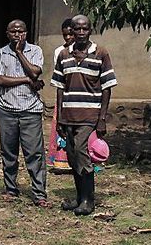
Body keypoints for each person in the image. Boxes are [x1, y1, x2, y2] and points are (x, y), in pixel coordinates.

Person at [50, 14, 116, 216]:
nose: (80, 33)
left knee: (81, 152)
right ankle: (79, 198)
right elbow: (60, 88)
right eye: (76, 29)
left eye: (84, 29)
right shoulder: (63, 55)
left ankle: (88, 200)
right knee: (71, 156)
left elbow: (107, 87)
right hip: (68, 114)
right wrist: (59, 117)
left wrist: (102, 118)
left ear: (90, 30)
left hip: (90, 115)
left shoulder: (101, 53)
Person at [0, 19, 50, 206]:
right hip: (6, 109)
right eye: (14, 32)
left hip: (31, 110)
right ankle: (11, 189)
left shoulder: (36, 51)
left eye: (21, 31)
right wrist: (26, 79)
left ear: (27, 33)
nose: (18, 35)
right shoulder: (0, 53)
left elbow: (35, 72)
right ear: (7, 34)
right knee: (9, 153)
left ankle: (39, 193)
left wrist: (19, 53)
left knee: (34, 154)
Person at [47, 18, 75, 173]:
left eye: (71, 34)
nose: (69, 38)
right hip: (64, 93)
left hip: (80, 97)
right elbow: (59, 76)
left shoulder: (89, 50)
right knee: (62, 127)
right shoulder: (59, 52)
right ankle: (62, 160)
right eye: (65, 35)